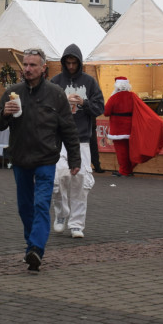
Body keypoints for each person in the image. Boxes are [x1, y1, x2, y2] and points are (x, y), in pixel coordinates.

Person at [0, 48, 80, 273]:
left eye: (33, 65)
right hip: (20, 157)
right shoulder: (13, 92)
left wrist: (74, 158)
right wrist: (5, 113)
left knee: (41, 203)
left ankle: (36, 249)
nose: (28, 69)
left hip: (45, 158)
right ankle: (31, 244)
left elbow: (68, 129)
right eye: (26, 65)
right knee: (25, 207)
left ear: (43, 68)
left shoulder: (56, 94)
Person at [48, 43, 105, 239]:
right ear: (63, 63)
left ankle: (77, 224)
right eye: (68, 63)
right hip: (60, 139)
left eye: (74, 63)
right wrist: (63, 101)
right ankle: (62, 213)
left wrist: (84, 103)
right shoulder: (55, 81)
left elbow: (99, 107)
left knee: (80, 181)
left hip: (81, 139)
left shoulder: (89, 82)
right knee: (57, 179)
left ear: (79, 63)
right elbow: (46, 107)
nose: (71, 66)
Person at [103, 77, 163, 177]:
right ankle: (128, 169)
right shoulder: (132, 95)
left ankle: (124, 171)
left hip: (118, 129)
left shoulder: (113, 97)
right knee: (131, 150)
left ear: (116, 86)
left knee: (121, 152)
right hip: (131, 128)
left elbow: (106, 112)